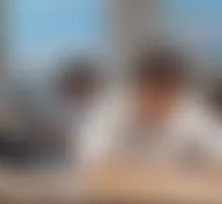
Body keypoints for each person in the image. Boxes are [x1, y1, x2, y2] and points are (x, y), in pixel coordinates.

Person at [77, 44, 222, 169]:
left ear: (178, 91)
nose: (157, 103)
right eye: (150, 92)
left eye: (166, 94)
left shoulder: (191, 113)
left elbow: (218, 151)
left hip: (175, 194)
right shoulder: (115, 107)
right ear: (137, 88)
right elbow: (89, 153)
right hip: (122, 193)